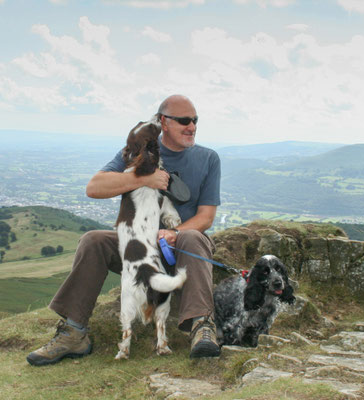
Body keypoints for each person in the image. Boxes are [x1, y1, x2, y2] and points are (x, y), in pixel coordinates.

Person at [27, 94, 222, 366]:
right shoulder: (134, 153)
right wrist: (141, 178)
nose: (192, 126)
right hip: (137, 247)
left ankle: (202, 327)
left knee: (191, 235)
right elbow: (94, 187)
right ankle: (74, 332)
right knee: (93, 240)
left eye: (195, 120)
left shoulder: (208, 158)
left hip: (181, 246)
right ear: (164, 122)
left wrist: (173, 232)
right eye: (184, 121)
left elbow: (206, 217)